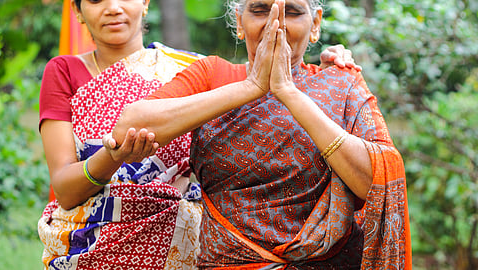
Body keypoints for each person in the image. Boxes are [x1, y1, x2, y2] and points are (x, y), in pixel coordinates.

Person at [37, 0, 358, 269]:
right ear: (78, 12)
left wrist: (326, 65)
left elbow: (266, 84)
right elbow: (65, 189)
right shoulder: (64, 72)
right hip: (87, 242)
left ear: (146, 3)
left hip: (178, 244)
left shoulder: (192, 70)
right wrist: (112, 157)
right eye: (95, 0)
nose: (112, 8)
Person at [109, 0, 412, 269]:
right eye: (259, 10)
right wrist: (251, 86)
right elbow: (128, 127)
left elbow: (378, 182)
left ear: (315, 24)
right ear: (239, 22)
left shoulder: (340, 84)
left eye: (292, 12)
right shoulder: (213, 76)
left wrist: (289, 92)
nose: (275, 23)